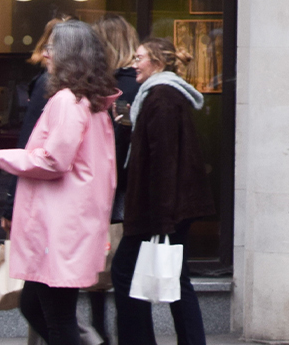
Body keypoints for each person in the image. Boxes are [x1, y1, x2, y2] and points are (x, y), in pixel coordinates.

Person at [0, 20, 121, 345]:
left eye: (52, 48)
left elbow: (54, 160)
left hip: (58, 227)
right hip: (69, 223)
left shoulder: (68, 100)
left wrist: (4, 157)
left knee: (56, 317)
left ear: (68, 55)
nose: (46, 54)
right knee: (36, 306)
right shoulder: (93, 102)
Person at [112, 37, 215, 345]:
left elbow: (164, 160)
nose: (134, 64)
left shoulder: (161, 98)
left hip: (160, 210)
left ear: (156, 63)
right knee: (176, 278)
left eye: (139, 58)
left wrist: (161, 219)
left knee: (125, 271)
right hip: (167, 208)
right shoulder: (160, 95)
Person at [87, 16, 143, 341]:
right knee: (123, 269)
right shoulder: (140, 83)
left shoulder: (114, 88)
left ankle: (103, 331)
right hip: (134, 188)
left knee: (107, 265)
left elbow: (114, 144)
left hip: (116, 189)